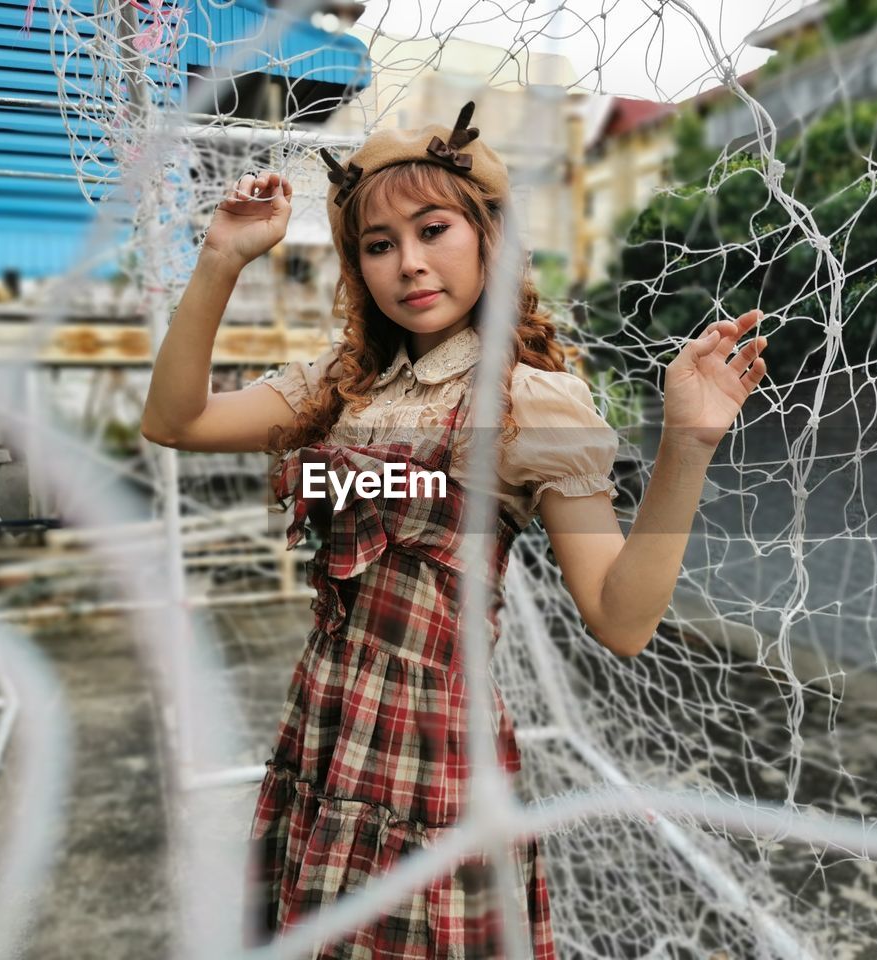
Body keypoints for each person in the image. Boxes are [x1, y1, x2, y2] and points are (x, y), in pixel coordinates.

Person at [141, 101, 769, 959]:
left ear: (487, 236)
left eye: (434, 229)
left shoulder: (529, 401)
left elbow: (622, 622)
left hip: (432, 749)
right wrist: (221, 260)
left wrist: (687, 446)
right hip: (324, 719)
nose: (410, 263)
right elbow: (176, 421)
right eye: (378, 244)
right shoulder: (344, 383)